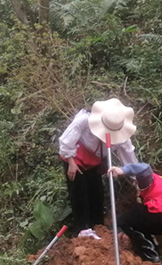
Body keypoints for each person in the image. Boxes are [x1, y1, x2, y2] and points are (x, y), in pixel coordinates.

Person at [58, 98, 138, 239]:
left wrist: (136, 179)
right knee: (80, 191)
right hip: (75, 156)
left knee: (97, 192)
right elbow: (66, 141)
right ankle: (82, 228)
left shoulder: (122, 133)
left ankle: (98, 226)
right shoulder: (85, 120)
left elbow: (129, 156)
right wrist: (71, 162)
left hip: (94, 161)